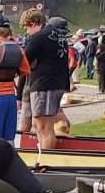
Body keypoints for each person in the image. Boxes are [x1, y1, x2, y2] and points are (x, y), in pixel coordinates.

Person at [21, 11, 73, 150]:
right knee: (38, 124)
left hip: (44, 84)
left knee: (44, 127)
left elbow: (23, 61)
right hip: (58, 83)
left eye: (27, 28)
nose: (27, 32)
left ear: (33, 24)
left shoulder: (39, 37)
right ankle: (43, 157)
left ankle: (46, 161)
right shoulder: (59, 37)